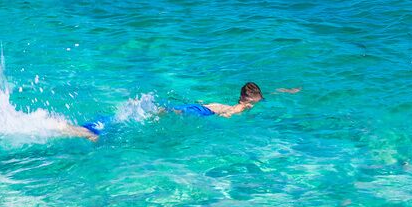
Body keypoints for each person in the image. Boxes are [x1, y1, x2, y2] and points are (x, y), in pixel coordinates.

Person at [74, 82, 289, 140]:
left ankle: (94, 127)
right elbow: (228, 116)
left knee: (168, 111)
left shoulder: (225, 102)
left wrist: (285, 91)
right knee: (167, 114)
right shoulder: (241, 108)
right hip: (201, 113)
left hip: (200, 107)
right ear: (248, 100)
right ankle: (150, 109)